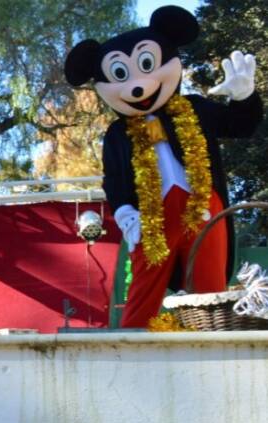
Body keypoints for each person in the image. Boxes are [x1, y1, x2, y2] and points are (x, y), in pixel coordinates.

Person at [64, 6, 262, 327]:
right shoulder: (117, 134)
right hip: (152, 215)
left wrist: (245, 97)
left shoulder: (194, 109)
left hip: (203, 208)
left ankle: (208, 343)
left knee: (208, 287)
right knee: (145, 285)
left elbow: (241, 126)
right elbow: (113, 179)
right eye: (121, 75)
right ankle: (133, 347)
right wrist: (126, 212)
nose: (138, 86)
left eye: (146, 66)